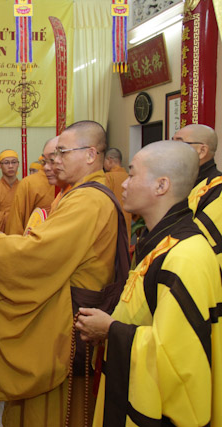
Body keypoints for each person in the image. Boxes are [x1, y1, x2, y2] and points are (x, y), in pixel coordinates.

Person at [0, 121, 119, 426]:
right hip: (61, 313)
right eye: (52, 156)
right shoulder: (74, 194)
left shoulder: (88, 200)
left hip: (65, 322)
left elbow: (36, 254)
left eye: (62, 153)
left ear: (90, 155)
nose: (54, 161)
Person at [76, 140, 222, 426]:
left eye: (132, 174)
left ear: (161, 185)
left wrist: (111, 330)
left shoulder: (185, 255)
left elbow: (178, 360)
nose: (124, 183)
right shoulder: (159, 242)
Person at [173, 124, 222, 265]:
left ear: (202, 151)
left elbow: (200, 241)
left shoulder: (217, 188)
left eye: (180, 143)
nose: (172, 149)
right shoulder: (183, 183)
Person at [5, 139, 56, 235]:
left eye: (53, 160)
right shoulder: (28, 183)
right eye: (45, 161)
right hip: (35, 240)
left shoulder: (73, 185)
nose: (47, 167)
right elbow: (16, 224)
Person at [104, 147, 132, 241]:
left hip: (111, 227)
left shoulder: (108, 177)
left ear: (109, 160)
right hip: (126, 228)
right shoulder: (129, 177)